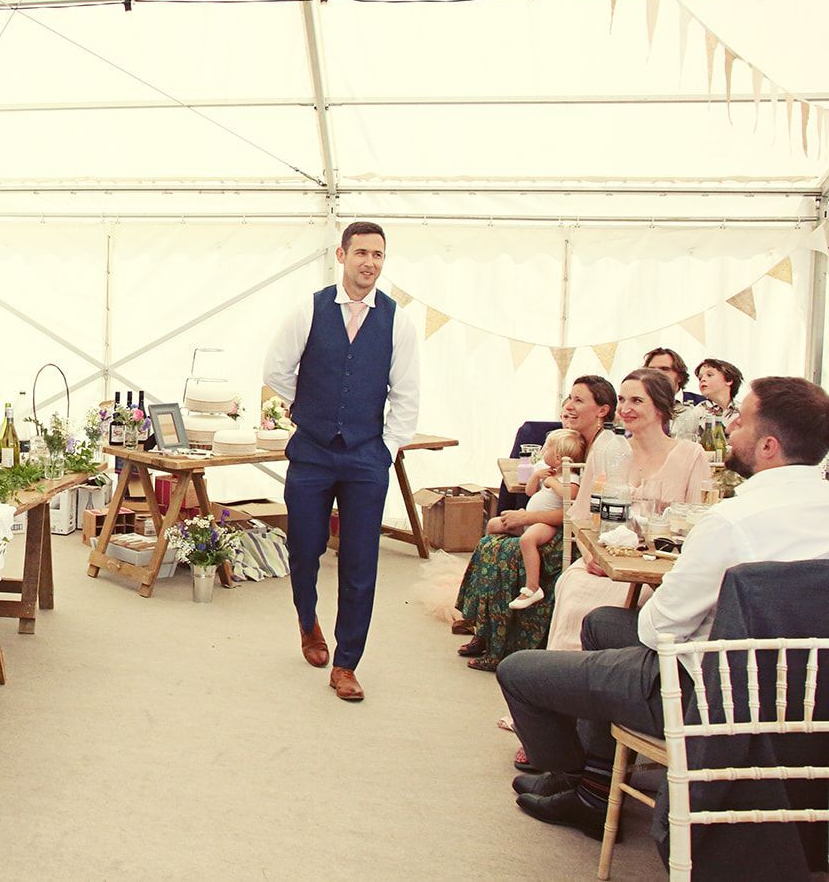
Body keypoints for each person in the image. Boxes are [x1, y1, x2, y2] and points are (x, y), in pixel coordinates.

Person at [496, 377, 829, 839]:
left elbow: (657, 630)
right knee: (601, 623)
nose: (729, 427)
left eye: (741, 420)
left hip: (709, 694)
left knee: (519, 672)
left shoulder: (732, 522)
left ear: (769, 446)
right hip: (804, 695)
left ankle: (578, 782)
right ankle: (595, 787)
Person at [262, 220, 420, 703]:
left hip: (366, 459)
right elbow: (276, 370)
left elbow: (406, 396)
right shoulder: (308, 311)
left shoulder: (398, 320)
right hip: (311, 452)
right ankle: (308, 621)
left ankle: (347, 663)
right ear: (342, 255)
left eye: (378, 255)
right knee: (304, 548)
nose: (370, 263)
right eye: (362, 253)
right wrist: (304, 409)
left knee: (360, 562)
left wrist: (384, 450)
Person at [455, 376, 621, 669]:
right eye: (569, 398)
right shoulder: (574, 442)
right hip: (562, 525)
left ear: (602, 411)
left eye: (579, 400)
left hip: (575, 536)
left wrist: (527, 517)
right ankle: (485, 630)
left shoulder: (604, 450)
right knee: (489, 542)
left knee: (504, 552)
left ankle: (505, 644)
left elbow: (579, 513)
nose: (569, 405)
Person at [546, 368, 712, 652]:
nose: (625, 408)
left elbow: (699, 524)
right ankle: (569, 683)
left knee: (637, 603)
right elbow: (581, 516)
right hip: (603, 563)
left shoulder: (690, 455)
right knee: (573, 588)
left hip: (658, 572)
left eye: (636, 401)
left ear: (661, 406)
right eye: (622, 400)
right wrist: (590, 557)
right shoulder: (607, 450)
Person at [486, 427, 586, 612]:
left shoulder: (569, 477)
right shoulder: (547, 472)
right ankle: (491, 558)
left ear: (558, 458)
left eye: (546, 448)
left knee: (528, 539)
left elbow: (570, 496)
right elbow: (530, 492)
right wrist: (536, 477)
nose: (542, 451)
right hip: (530, 520)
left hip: (546, 524)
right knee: (493, 524)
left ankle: (533, 587)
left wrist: (552, 483)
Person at [693, 356, 743, 431]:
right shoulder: (695, 413)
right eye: (700, 378)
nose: (702, 379)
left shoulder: (743, 412)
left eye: (709, 375)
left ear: (728, 380)